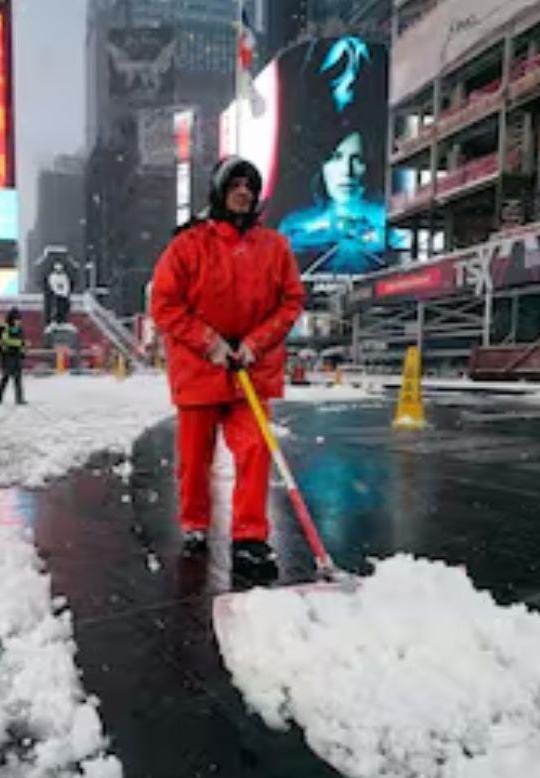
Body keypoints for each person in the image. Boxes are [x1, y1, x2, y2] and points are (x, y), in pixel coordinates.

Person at [151, 156, 305, 581]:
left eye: (250, 187)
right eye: (235, 185)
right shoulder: (188, 245)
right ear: (219, 192)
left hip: (250, 374)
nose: (243, 193)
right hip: (199, 372)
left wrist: (255, 343)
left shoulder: (274, 247)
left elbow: (291, 301)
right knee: (194, 459)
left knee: (254, 452)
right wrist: (210, 343)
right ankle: (195, 525)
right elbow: (164, 304)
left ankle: (250, 538)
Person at [278, 130, 384, 275]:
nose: (347, 170)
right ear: (323, 166)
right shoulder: (295, 226)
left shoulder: (392, 222)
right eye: (336, 157)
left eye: (358, 159)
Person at [0, 308, 27, 405]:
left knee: (18, 378)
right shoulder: (4, 328)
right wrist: (19, 343)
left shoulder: (19, 330)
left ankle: (19, 398)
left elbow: (23, 342)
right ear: (11, 319)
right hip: (7, 356)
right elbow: (5, 340)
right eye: (16, 319)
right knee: (6, 377)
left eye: (19, 319)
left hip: (17, 356)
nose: (18, 322)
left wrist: (23, 351)